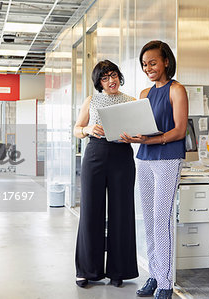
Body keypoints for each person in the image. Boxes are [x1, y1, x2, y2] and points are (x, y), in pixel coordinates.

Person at [120, 40, 188, 299]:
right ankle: (154, 274)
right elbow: (142, 127)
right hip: (145, 158)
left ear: (166, 62)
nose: (148, 67)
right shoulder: (144, 94)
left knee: (162, 220)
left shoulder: (177, 89)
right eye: (144, 64)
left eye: (153, 62)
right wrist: (132, 137)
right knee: (148, 220)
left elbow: (179, 130)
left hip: (168, 158)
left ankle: (166, 283)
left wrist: (150, 140)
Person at [74, 60, 139, 288]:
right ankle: (86, 270)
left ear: (119, 77)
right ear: (99, 82)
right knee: (91, 211)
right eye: (105, 77)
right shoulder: (91, 101)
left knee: (122, 212)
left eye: (113, 75)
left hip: (122, 155)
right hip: (95, 153)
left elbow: (140, 131)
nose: (110, 81)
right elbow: (76, 130)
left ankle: (118, 270)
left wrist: (134, 136)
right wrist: (88, 129)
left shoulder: (131, 101)